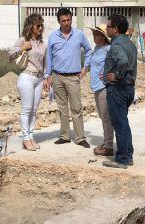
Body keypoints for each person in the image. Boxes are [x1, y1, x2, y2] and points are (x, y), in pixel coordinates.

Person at [43, 7, 93, 148]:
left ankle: (80, 137)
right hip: (57, 76)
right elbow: (49, 57)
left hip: (73, 77)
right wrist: (48, 75)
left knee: (76, 108)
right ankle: (64, 136)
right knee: (62, 108)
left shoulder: (79, 35)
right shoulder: (53, 36)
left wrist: (85, 68)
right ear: (58, 21)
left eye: (68, 20)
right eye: (63, 20)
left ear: (72, 19)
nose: (66, 22)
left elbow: (89, 51)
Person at [102, 14, 137, 169]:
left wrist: (115, 75)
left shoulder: (116, 45)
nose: (106, 29)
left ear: (115, 29)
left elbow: (122, 62)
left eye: (108, 27)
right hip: (129, 88)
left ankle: (122, 159)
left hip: (118, 88)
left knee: (119, 124)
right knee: (124, 123)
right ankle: (128, 156)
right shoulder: (130, 43)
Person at [9, 13, 46, 151]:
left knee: (34, 110)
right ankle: (25, 138)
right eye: (38, 25)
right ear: (31, 27)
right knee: (27, 109)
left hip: (39, 79)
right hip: (26, 77)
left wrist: (47, 77)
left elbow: (44, 62)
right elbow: (10, 55)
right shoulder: (23, 39)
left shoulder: (42, 43)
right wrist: (22, 48)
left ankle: (31, 136)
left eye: (42, 25)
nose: (41, 28)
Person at [87, 25, 114, 157]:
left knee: (106, 117)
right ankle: (106, 142)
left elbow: (115, 64)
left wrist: (109, 73)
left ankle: (108, 146)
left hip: (104, 87)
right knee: (103, 117)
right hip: (96, 86)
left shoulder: (108, 49)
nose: (94, 37)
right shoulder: (97, 48)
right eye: (93, 34)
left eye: (96, 34)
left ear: (103, 37)